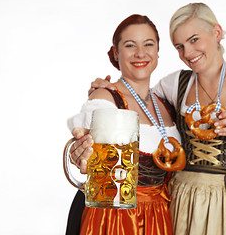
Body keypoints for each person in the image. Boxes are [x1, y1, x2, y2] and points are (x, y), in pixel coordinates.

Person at [73, 3, 226, 235]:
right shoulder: (173, 86)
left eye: (194, 40)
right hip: (176, 202)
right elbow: (126, 101)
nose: (188, 53)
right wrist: (103, 90)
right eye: (179, 46)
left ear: (217, 33)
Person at [65, 14, 182, 235]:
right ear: (116, 53)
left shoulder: (166, 103)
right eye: (130, 45)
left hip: (161, 216)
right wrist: (79, 152)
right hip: (114, 216)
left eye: (149, 44)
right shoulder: (105, 98)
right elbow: (85, 150)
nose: (140, 53)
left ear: (158, 51)